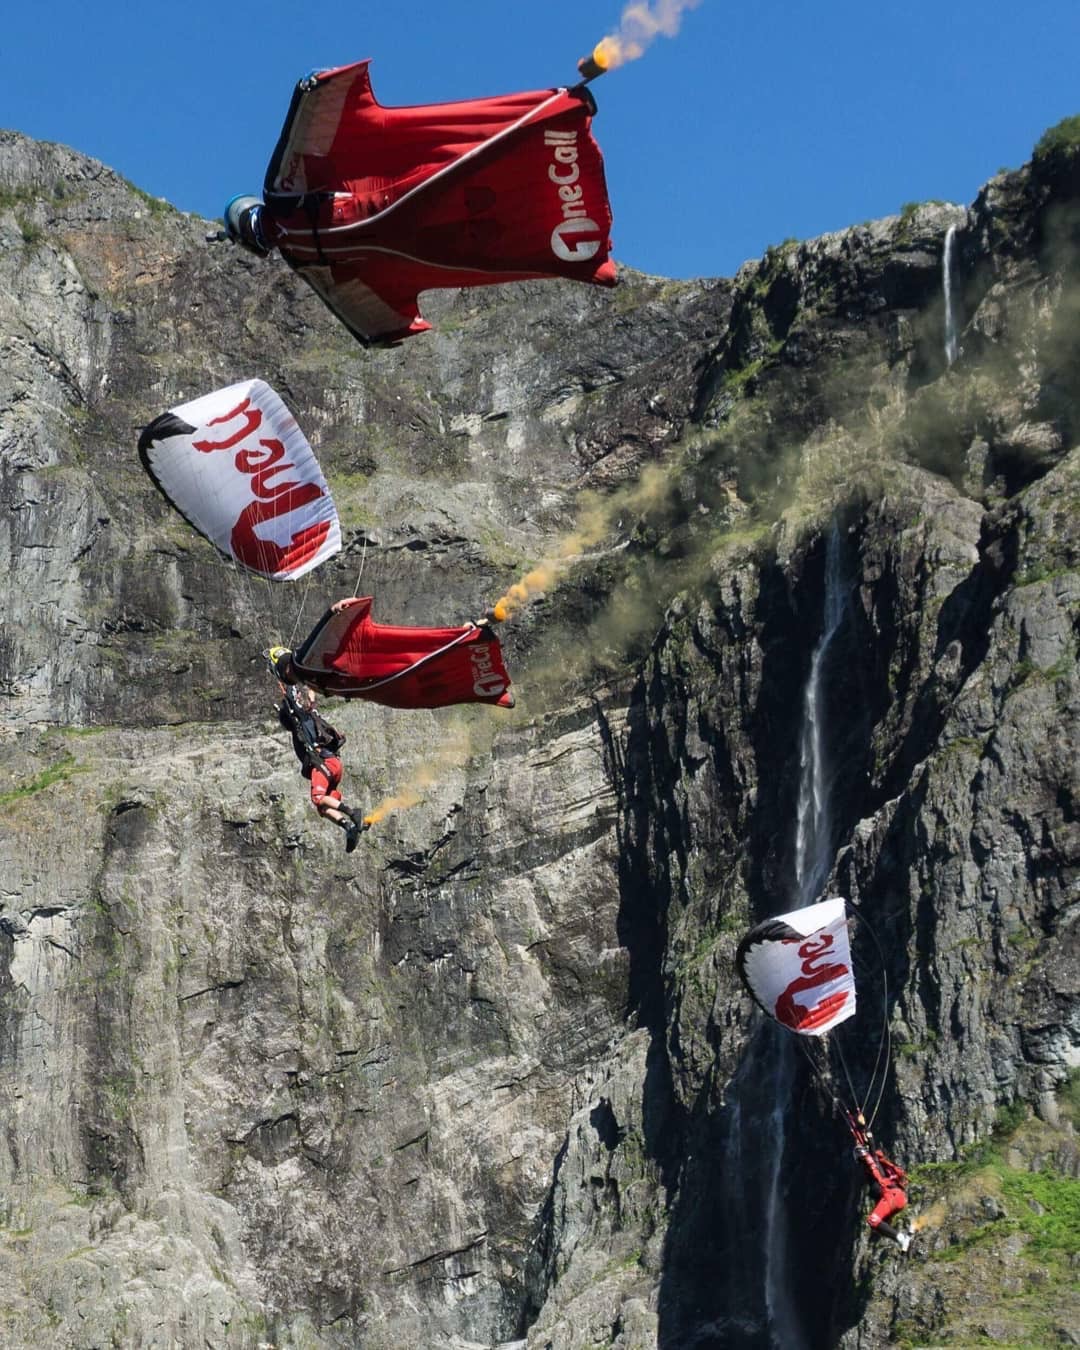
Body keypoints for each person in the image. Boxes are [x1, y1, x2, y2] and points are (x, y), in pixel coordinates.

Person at [276, 678, 365, 853]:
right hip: (332, 765)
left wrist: (285, 679)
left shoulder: (301, 719)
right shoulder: (312, 714)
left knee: (317, 798)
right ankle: (348, 827)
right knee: (322, 807)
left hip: (323, 764)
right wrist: (309, 683)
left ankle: (352, 813)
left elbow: (292, 699)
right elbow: (311, 698)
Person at [855, 1140, 912, 1252]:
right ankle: (908, 1232)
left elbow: (872, 1149)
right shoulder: (869, 1173)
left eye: (862, 1160)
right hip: (895, 1197)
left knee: (873, 1220)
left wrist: (868, 1138)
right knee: (878, 1225)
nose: (862, 1163)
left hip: (892, 1196)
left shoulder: (874, 1163)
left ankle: (902, 1238)